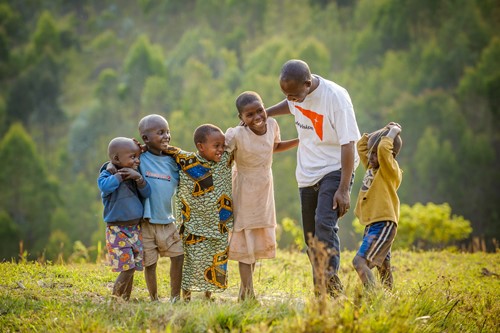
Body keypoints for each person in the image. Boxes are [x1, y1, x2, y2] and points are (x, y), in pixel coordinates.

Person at [266, 59, 361, 297]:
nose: (291, 99)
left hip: (336, 167)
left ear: (308, 84)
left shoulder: (336, 99)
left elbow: (349, 144)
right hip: (307, 172)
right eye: (286, 94)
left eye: (295, 94)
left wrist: (344, 189)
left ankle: (328, 286)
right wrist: (265, 112)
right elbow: (290, 105)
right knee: (310, 237)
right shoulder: (295, 95)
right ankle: (325, 288)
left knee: (324, 225)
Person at [225, 91, 298, 301]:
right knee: (245, 238)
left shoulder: (273, 125)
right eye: (249, 115)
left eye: (260, 110)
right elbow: (221, 155)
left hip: (264, 187)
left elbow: (274, 147)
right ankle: (248, 292)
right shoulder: (237, 134)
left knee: (255, 239)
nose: (257, 117)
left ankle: (244, 292)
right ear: (241, 118)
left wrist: (300, 140)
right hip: (243, 188)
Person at [163, 124, 234, 301]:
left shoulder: (225, 160)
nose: (220, 149)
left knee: (215, 260)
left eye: (222, 145)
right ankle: (186, 296)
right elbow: (168, 149)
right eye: (216, 146)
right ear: (201, 146)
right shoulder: (187, 161)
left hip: (219, 224)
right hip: (193, 225)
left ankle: (207, 294)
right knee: (191, 261)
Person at [137, 114, 184, 302]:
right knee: (150, 263)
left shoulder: (174, 162)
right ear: (146, 139)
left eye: (167, 131)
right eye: (160, 132)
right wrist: (136, 148)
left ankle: (175, 297)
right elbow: (118, 158)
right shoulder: (139, 158)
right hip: (146, 222)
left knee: (179, 256)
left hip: (168, 220)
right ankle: (154, 298)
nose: (166, 136)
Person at [97, 137, 151, 301]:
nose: (137, 161)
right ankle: (115, 299)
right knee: (126, 268)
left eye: (137, 157)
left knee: (132, 266)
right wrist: (120, 176)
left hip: (135, 229)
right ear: (116, 159)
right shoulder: (107, 175)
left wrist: (138, 178)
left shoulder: (134, 175)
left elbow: (147, 193)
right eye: (132, 157)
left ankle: (125, 299)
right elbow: (105, 187)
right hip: (117, 230)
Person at [352, 122, 403, 290]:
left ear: (390, 154)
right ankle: (390, 297)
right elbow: (361, 146)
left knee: (359, 262)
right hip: (372, 223)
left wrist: (393, 132)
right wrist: (383, 131)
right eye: (371, 153)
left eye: (375, 154)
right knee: (383, 266)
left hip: (384, 223)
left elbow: (382, 150)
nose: (371, 157)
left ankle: (374, 299)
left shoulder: (389, 170)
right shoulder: (372, 168)